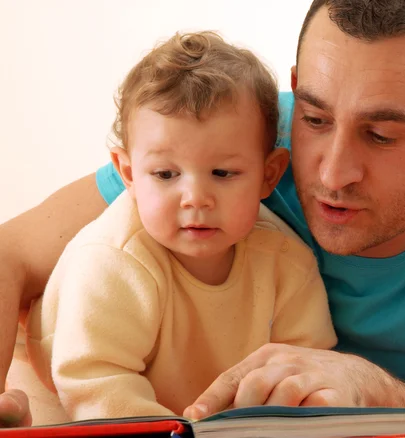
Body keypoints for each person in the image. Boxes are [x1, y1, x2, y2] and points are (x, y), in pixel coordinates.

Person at [0, 0, 405, 426]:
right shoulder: (232, 143)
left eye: (379, 136)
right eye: (315, 118)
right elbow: (11, 253)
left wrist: (369, 385)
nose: (331, 173)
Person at [20, 31, 337, 423]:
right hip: (58, 393)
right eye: (166, 174)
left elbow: (307, 368)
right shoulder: (113, 261)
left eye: (223, 173)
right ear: (129, 174)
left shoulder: (287, 262)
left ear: (268, 176)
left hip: (184, 408)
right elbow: (96, 382)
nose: (195, 198)